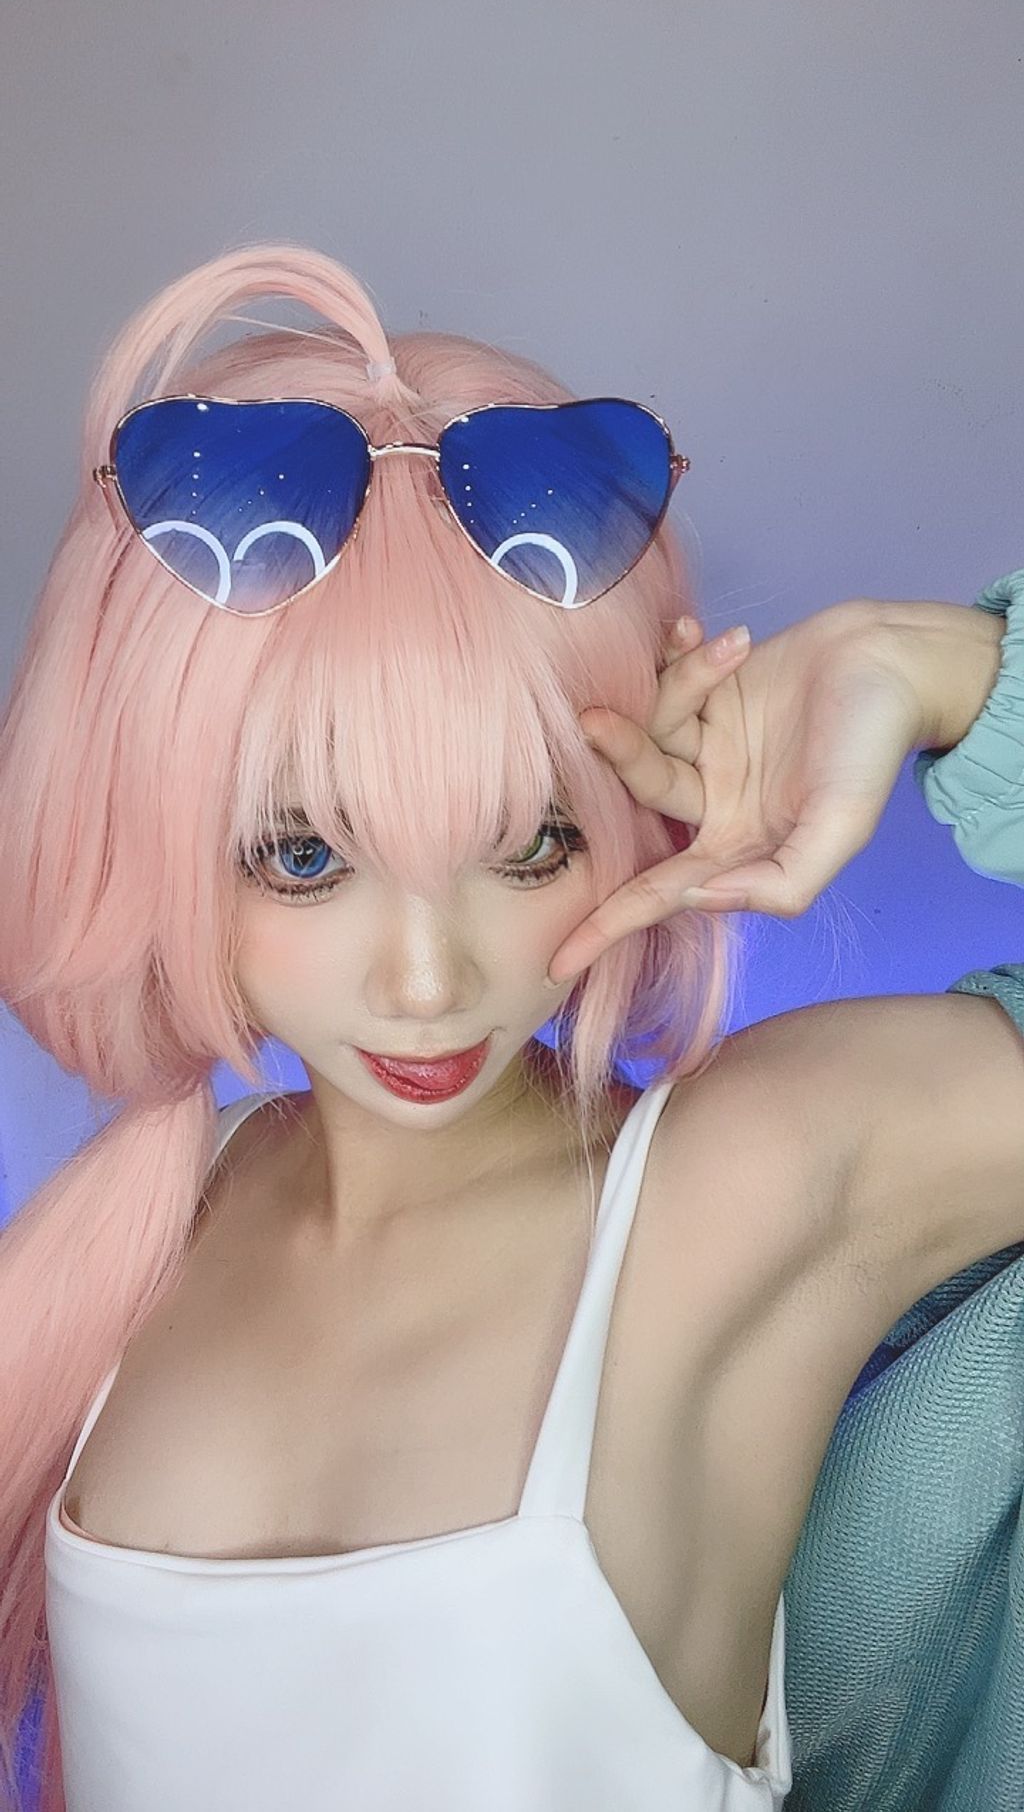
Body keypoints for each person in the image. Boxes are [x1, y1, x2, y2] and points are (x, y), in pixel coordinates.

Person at [0, 241, 1020, 1812]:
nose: (427, 981)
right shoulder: (118, 1248)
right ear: (150, 827)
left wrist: (948, 672)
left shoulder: (743, 1186)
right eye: (304, 856)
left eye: (532, 842)